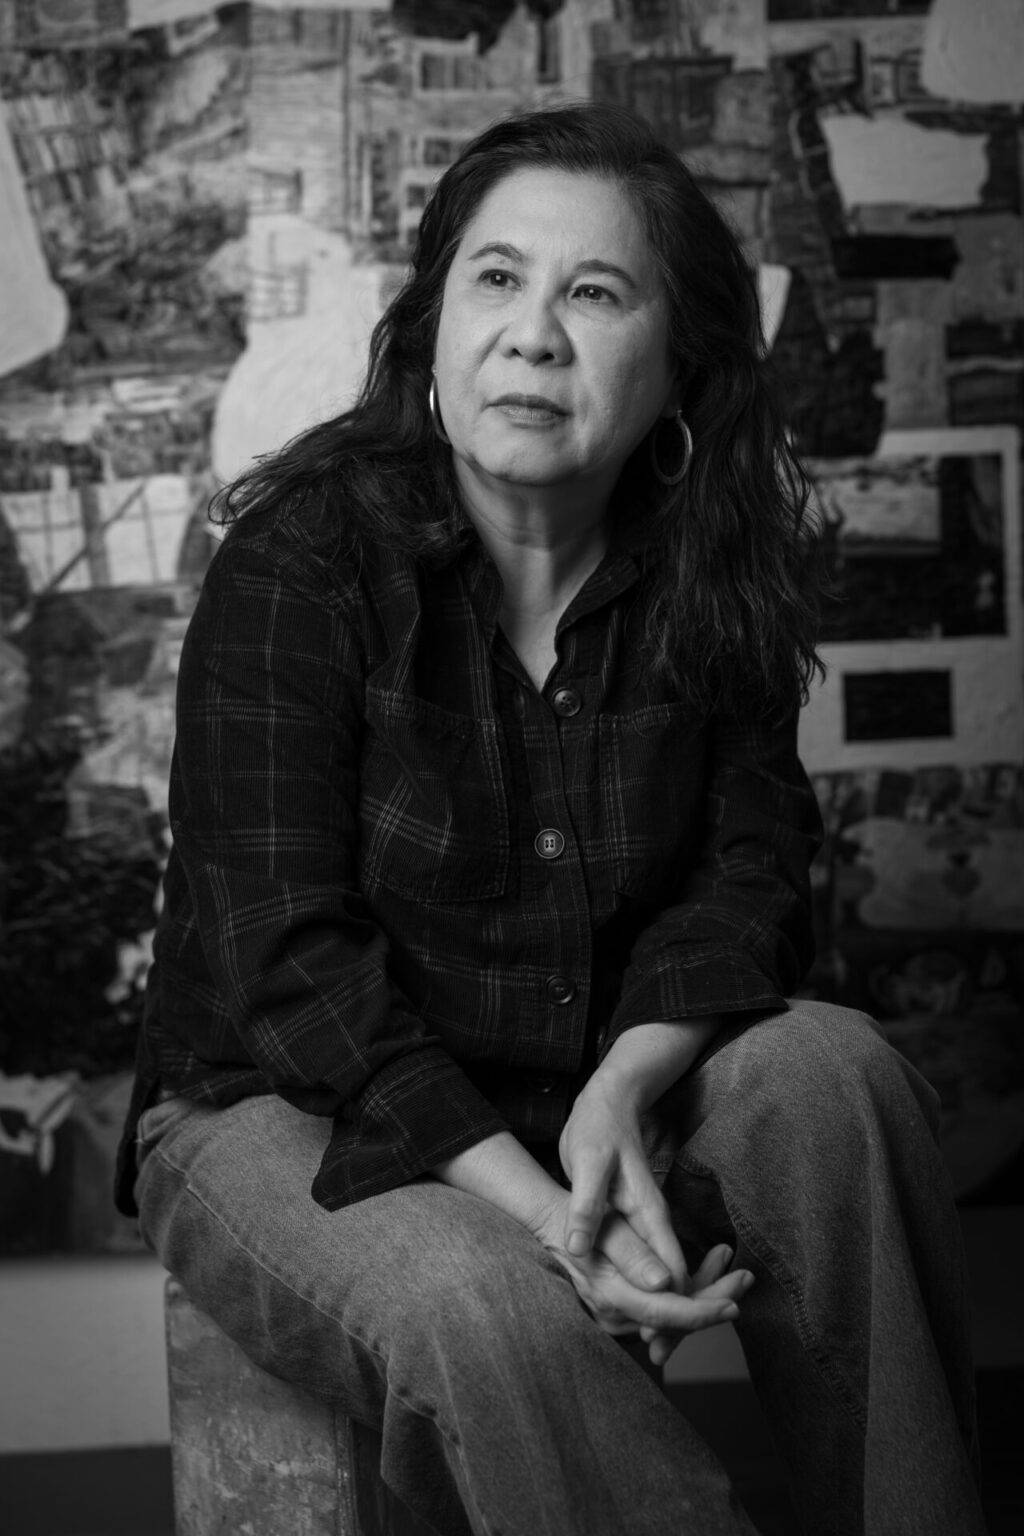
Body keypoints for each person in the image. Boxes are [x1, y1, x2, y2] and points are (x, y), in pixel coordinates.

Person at [116, 103, 986, 1536]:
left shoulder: (716, 569)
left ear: (681, 362)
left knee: (839, 1076)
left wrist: (622, 1091)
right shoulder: (300, 560)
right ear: (434, 327)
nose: (532, 336)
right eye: (497, 279)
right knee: (493, 1301)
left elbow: (753, 878)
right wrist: (548, 1220)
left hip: (583, 1075)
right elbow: (287, 962)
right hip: (280, 1106)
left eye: (593, 291)